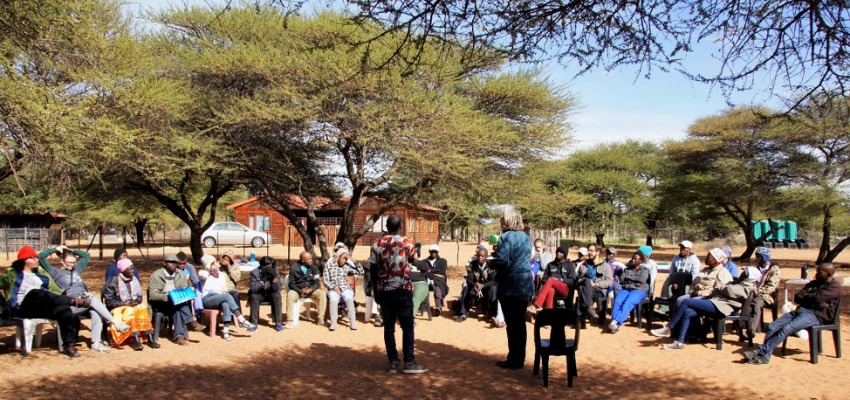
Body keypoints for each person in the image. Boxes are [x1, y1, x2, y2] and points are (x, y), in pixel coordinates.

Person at [744, 263, 842, 365]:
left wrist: (810, 297)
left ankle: (761, 351)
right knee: (773, 326)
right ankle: (765, 356)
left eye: (819, 272)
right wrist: (814, 299)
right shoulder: (813, 283)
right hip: (801, 310)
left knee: (787, 328)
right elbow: (798, 297)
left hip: (816, 316)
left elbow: (818, 298)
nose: (816, 274)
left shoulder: (834, 286)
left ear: (829, 274)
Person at [38, 245, 130, 353]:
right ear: (62, 261)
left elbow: (86, 255)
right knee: (93, 301)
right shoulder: (56, 272)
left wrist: (72, 251)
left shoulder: (77, 269)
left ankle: (96, 343)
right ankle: (116, 323)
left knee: (95, 312)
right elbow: (41, 257)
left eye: (74, 262)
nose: (72, 265)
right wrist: (56, 249)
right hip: (71, 304)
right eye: (69, 263)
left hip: (84, 303)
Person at [0, 246, 84, 357]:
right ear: (24, 260)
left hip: (41, 306)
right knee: (35, 292)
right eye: (33, 258)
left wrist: (59, 298)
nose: (37, 260)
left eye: (36, 258)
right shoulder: (11, 273)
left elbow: (55, 290)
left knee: (64, 310)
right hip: (21, 308)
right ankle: (72, 301)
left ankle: (69, 345)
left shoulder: (41, 273)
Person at [370, 214, 428, 374]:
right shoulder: (408, 242)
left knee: (389, 327)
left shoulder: (377, 244)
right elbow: (414, 260)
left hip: (385, 291)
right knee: (407, 326)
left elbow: (373, 270)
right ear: (400, 227)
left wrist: (375, 291)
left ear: (386, 227)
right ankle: (409, 362)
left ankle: (393, 362)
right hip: (403, 290)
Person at [651, 248, 734, 349]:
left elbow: (718, 290)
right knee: (681, 303)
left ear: (716, 260)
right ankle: (684, 336)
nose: (706, 258)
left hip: (710, 299)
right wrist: (692, 291)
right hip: (696, 294)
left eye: (709, 257)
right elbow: (694, 283)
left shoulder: (723, 272)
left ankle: (670, 327)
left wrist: (700, 293)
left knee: (685, 302)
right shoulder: (705, 270)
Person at [490, 207, 533, 371]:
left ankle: (513, 359)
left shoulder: (505, 237)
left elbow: (502, 260)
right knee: (520, 323)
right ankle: (518, 358)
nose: (500, 219)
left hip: (510, 284)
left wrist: (490, 263)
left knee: (512, 323)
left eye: (502, 217)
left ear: (508, 220)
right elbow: (527, 257)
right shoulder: (526, 237)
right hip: (525, 283)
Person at [148, 253, 207, 346]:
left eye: (175, 262)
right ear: (164, 263)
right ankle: (191, 322)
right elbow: (152, 295)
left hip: (176, 303)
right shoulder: (156, 275)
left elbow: (183, 289)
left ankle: (179, 336)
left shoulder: (181, 274)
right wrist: (167, 296)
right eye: (171, 262)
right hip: (161, 304)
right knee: (177, 304)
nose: (174, 264)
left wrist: (187, 294)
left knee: (177, 307)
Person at [102, 258, 158, 350]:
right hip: (118, 307)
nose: (133, 270)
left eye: (133, 268)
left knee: (142, 308)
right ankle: (135, 338)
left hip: (132, 305)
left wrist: (137, 301)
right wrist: (125, 303)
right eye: (130, 268)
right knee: (129, 310)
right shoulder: (113, 282)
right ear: (123, 270)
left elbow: (139, 296)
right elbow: (109, 301)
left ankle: (149, 336)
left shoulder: (134, 280)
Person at [198, 254, 257, 340]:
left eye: (215, 262)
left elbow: (224, 289)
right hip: (207, 299)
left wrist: (222, 294)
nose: (215, 264)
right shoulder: (203, 273)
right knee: (227, 296)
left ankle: (226, 331)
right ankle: (241, 319)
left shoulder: (220, 274)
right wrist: (208, 264)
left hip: (220, 298)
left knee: (225, 303)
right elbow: (203, 275)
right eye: (213, 263)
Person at [607, 251, 651, 333]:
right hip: (626, 289)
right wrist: (633, 278)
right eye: (632, 258)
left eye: (635, 259)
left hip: (639, 290)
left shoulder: (645, 270)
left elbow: (641, 280)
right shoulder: (627, 269)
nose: (633, 260)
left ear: (640, 261)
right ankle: (615, 324)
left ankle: (615, 322)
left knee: (628, 302)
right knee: (617, 301)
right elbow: (622, 279)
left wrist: (629, 278)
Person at [324, 247, 363, 331]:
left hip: (345, 287)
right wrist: (334, 288)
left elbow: (361, 272)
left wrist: (351, 259)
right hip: (333, 288)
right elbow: (325, 280)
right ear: (338, 257)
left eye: (346, 259)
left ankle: (353, 322)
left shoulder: (346, 266)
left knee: (349, 298)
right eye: (343, 258)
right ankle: (333, 322)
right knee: (333, 299)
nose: (344, 261)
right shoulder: (329, 265)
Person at [285, 251, 327, 329]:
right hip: (298, 291)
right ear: (303, 260)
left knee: (322, 294)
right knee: (290, 295)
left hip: (311, 290)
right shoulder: (294, 268)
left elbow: (317, 281)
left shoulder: (314, 267)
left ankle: (321, 318)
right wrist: (299, 290)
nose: (311, 260)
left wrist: (311, 289)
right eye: (309, 259)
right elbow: (291, 284)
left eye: (311, 258)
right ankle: (290, 320)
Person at [527, 245, 575, 313]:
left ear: (565, 254)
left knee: (551, 280)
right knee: (550, 290)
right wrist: (550, 283)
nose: (558, 253)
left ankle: (537, 304)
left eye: (561, 252)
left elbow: (572, 281)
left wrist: (559, 280)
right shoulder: (550, 264)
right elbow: (544, 280)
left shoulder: (569, 265)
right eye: (557, 252)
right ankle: (549, 314)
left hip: (564, 289)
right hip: (551, 288)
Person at [456, 248, 497, 323]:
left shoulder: (491, 265)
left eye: (482, 256)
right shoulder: (473, 264)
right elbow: (469, 280)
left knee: (493, 289)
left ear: (486, 257)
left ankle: (493, 315)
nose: (480, 257)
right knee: (466, 288)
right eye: (478, 256)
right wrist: (475, 284)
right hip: (475, 287)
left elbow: (494, 281)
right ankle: (463, 314)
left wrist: (483, 285)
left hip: (486, 288)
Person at [575, 243, 614, 320]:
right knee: (586, 282)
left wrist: (596, 284)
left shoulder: (605, 266)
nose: (589, 253)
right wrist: (583, 281)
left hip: (599, 290)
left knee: (582, 290)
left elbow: (609, 282)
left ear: (598, 252)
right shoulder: (583, 265)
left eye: (591, 251)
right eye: (588, 251)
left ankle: (579, 318)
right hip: (585, 287)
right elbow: (576, 277)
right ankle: (590, 307)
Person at [749, 247, 781, 334]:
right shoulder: (757, 268)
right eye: (756, 256)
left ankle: (751, 330)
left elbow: (771, 286)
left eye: (759, 256)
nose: (757, 259)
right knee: (744, 299)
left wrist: (757, 291)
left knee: (756, 302)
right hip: (755, 292)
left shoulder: (774, 269)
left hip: (768, 296)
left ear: (764, 257)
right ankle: (739, 324)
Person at [248, 256, 283, 332]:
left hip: (271, 294)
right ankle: (253, 323)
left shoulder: (275, 272)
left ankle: (278, 323)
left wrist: (274, 281)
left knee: (277, 296)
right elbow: (253, 289)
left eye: (271, 266)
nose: (269, 268)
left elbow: (278, 289)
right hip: (259, 294)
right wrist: (261, 283)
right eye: (267, 266)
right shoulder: (255, 272)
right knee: (253, 297)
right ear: (262, 266)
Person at [176, 251, 204, 319]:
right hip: (176, 289)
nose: (182, 265)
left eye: (184, 263)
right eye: (180, 264)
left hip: (187, 288)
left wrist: (195, 288)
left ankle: (195, 316)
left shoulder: (189, 267)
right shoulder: (174, 268)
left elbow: (195, 280)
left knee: (195, 294)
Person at [424, 245, 449, 315]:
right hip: (427, 280)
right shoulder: (425, 261)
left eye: (435, 252)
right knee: (422, 288)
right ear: (429, 252)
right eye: (432, 252)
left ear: (438, 252)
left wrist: (431, 271)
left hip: (438, 280)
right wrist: (435, 272)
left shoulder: (443, 261)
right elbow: (423, 270)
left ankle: (438, 307)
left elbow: (442, 272)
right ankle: (424, 305)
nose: (433, 253)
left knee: (437, 289)